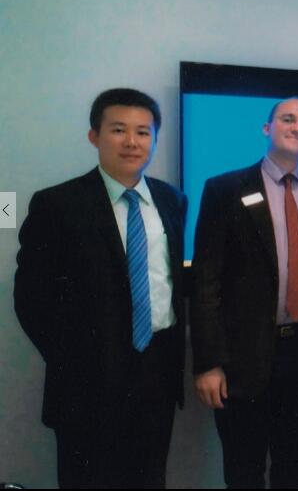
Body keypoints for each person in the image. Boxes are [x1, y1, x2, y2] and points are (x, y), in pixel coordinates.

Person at [14, 88, 187, 488]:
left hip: (156, 371)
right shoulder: (58, 204)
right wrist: (72, 358)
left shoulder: (171, 199)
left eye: (143, 132)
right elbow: (31, 299)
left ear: (154, 139)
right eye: (118, 130)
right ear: (94, 136)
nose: (132, 142)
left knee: (149, 479)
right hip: (85, 382)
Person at [190, 97, 298, 489]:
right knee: (244, 469)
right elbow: (206, 280)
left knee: (297, 467)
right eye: (288, 119)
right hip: (244, 355)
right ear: (266, 128)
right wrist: (208, 362)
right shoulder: (225, 189)